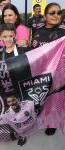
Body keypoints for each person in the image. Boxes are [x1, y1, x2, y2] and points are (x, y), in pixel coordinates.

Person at [31, 2, 65, 135]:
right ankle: (40, 118)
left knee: (55, 99)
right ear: (44, 16)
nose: (56, 15)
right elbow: (33, 54)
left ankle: (52, 123)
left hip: (60, 73)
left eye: (59, 12)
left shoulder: (64, 32)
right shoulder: (38, 33)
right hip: (43, 72)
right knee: (42, 97)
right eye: (52, 13)